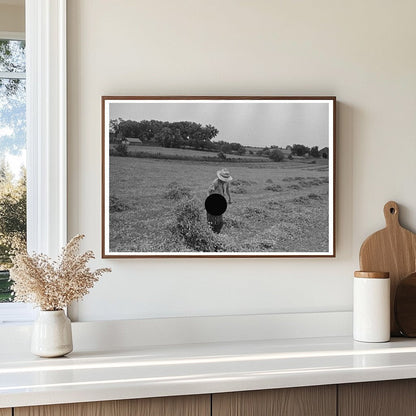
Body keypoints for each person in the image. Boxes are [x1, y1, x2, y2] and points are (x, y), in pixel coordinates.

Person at [207, 168, 232, 233]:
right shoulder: (216, 182)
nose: (225, 180)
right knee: (211, 218)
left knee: (220, 220)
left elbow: (227, 190)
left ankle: (217, 232)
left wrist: (230, 198)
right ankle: (210, 231)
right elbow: (209, 191)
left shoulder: (226, 182)